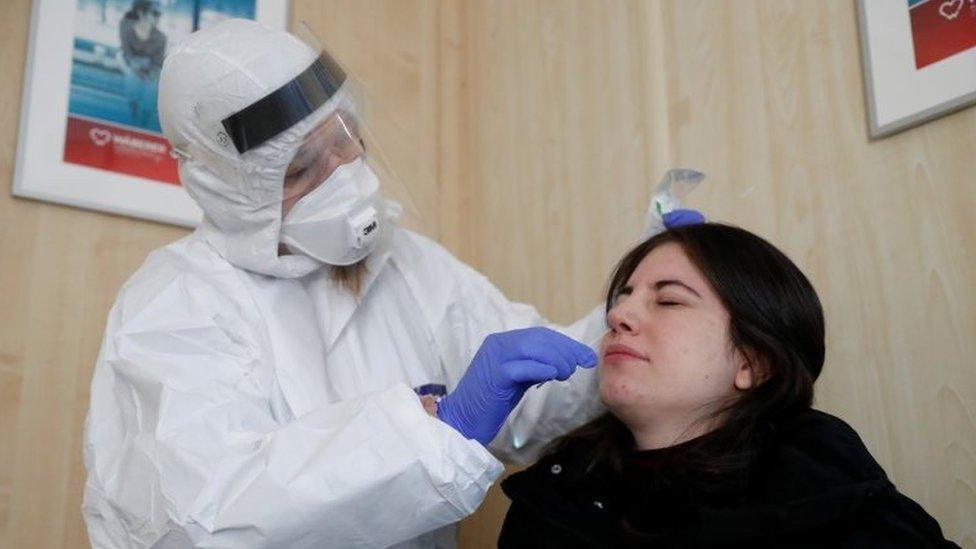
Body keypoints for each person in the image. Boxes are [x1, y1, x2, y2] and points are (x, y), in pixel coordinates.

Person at [82, 19, 699, 548]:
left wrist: (630, 313)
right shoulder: (177, 303)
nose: (344, 175)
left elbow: (528, 408)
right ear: (228, 189)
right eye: (301, 168)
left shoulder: (407, 264)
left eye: (347, 140)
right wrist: (433, 431)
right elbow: (201, 522)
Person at [499, 223, 959, 548]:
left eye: (670, 300)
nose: (617, 316)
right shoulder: (555, 494)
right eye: (622, 299)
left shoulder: (825, 489)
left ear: (754, 363)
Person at [118, 0, 166, 126]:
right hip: (131, 67)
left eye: (159, 14)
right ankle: (132, 114)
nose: (157, 17)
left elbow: (157, 63)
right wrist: (135, 65)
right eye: (154, 13)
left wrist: (151, 73)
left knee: (152, 87)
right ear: (141, 13)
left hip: (149, 71)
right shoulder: (127, 29)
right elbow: (126, 54)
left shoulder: (161, 38)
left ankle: (143, 122)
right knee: (131, 77)